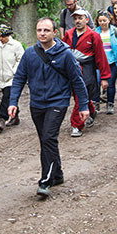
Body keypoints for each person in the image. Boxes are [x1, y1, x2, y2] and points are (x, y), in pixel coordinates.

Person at [8, 18, 89, 198]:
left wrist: (83, 105)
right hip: (36, 104)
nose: (42, 33)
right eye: (39, 30)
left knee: (48, 138)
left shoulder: (66, 54)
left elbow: (77, 81)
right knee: (46, 141)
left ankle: (45, 180)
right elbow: (19, 78)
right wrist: (13, 102)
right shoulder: (30, 53)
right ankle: (57, 174)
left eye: (46, 30)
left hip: (58, 102)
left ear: (54, 32)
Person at [62, 9, 110, 136]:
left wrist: (104, 77)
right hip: (72, 69)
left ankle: (77, 125)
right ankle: (91, 110)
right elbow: (64, 53)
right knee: (80, 95)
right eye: (76, 18)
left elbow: (101, 57)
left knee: (80, 96)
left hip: (87, 70)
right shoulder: (69, 34)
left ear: (86, 20)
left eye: (80, 18)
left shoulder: (94, 36)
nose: (77, 21)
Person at [0, 24, 25, 131]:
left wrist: (14, 71)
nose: (1, 38)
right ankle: (15, 117)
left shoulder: (16, 45)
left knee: (7, 96)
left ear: (9, 35)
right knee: (9, 97)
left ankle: (2, 118)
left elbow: (21, 60)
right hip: (0, 76)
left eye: (4, 36)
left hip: (12, 77)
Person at [94, 11, 117, 115]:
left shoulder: (116, 31)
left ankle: (110, 103)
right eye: (100, 21)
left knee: (111, 84)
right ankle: (96, 103)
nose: (102, 23)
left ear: (109, 20)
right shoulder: (95, 32)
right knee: (97, 82)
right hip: (99, 63)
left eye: (104, 20)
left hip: (113, 62)